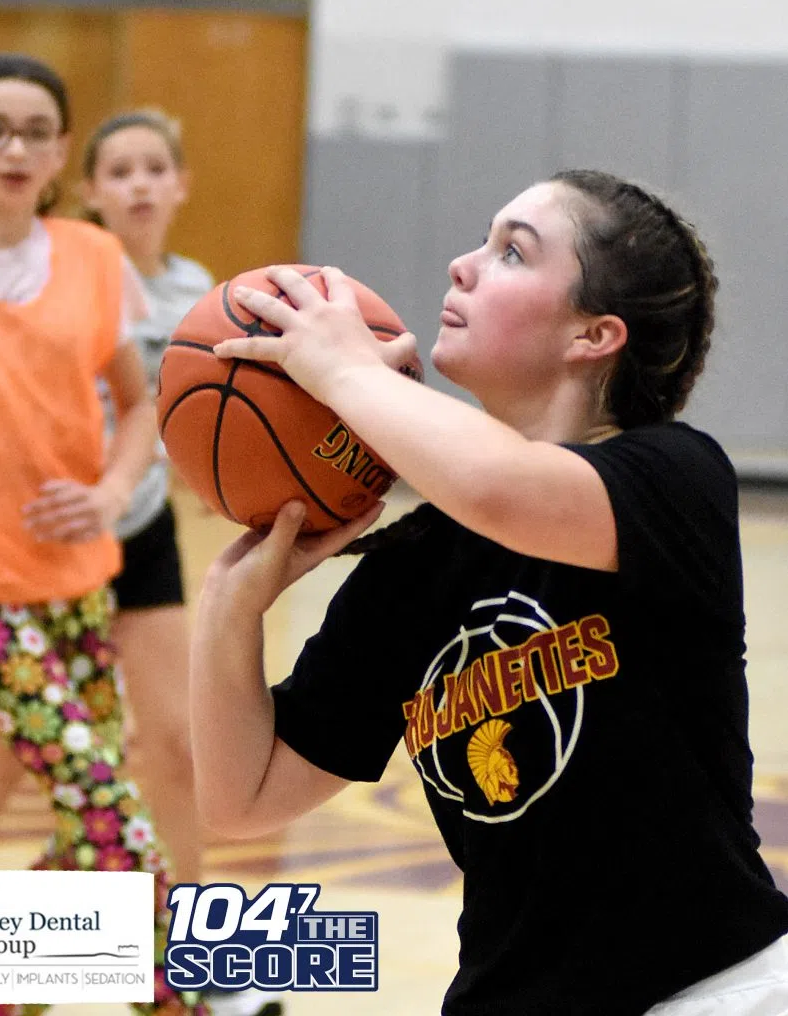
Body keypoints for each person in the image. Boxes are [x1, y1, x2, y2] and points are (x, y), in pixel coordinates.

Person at [189, 170, 788, 1015]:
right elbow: (242, 797)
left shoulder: (671, 479)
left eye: (511, 251)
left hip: (708, 990)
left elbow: (500, 490)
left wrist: (343, 373)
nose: (461, 266)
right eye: (481, 240)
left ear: (593, 334)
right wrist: (229, 606)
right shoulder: (416, 564)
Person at [0, 54, 204, 1016]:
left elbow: (138, 399)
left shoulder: (90, 258)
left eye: (36, 131)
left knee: (90, 814)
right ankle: (176, 995)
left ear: (59, 151)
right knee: (105, 803)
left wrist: (115, 487)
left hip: (80, 569)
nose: (14, 147)